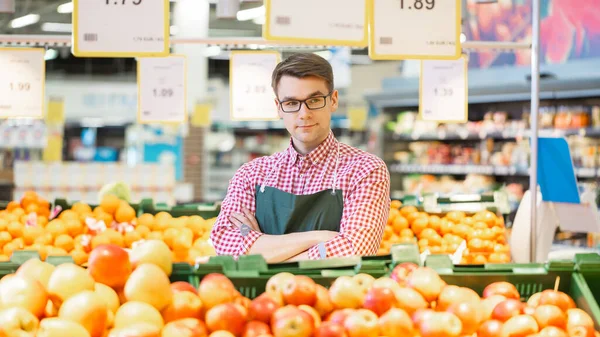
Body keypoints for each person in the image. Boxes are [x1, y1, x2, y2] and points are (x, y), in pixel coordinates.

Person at [210, 53, 390, 263]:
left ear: (333, 100)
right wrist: (319, 238)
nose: (303, 113)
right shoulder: (251, 175)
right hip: (262, 294)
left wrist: (261, 247)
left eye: (314, 100)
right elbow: (224, 244)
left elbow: (355, 248)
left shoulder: (365, 170)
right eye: (292, 103)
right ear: (279, 108)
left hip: (334, 294)